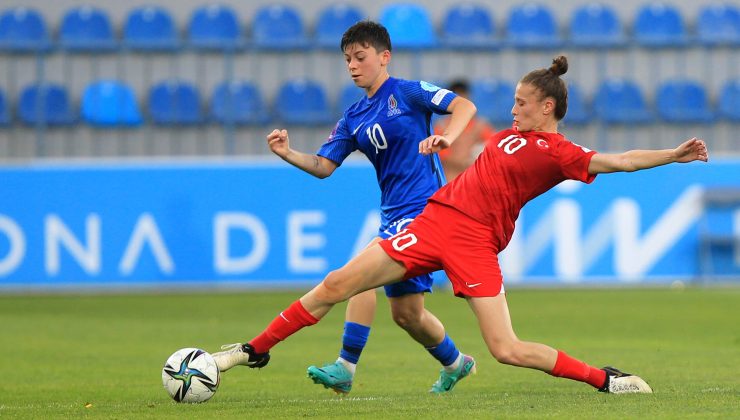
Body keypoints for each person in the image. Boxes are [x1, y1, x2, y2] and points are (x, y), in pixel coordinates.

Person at [213, 55, 708, 394]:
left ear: (547, 107)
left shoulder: (560, 152)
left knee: (507, 350)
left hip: (475, 245)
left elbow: (620, 160)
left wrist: (673, 155)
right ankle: (249, 351)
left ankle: (605, 380)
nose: (512, 109)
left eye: (520, 102)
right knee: (340, 282)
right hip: (434, 222)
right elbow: (465, 138)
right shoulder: (506, 136)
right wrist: (445, 141)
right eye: (513, 101)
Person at [219, 21, 478, 395]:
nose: (353, 65)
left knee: (348, 279)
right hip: (394, 216)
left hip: (427, 215)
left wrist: (447, 136)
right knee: (407, 315)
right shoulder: (354, 117)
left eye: (361, 57)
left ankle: (333, 364)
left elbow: (464, 105)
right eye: (347, 60)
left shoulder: (407, 92)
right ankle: (457, 364)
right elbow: (324, 167)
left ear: (384, 57)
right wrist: (288, 153)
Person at [433, 79, 495, 181]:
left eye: (464, 98)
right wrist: (465, 163)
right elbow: (441, 156)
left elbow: (493, 148)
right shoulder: (442, 127)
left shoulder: (481, 126)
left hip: (475, 180)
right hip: (450, 181)